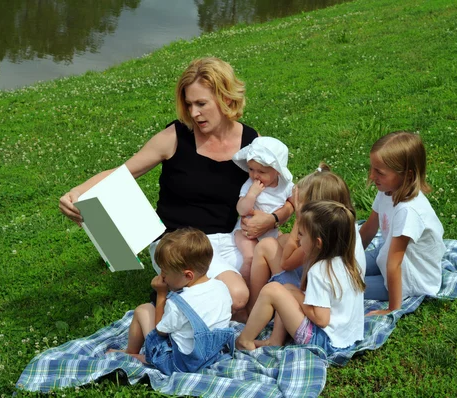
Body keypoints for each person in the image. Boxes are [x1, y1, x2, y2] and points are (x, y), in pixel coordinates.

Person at [58, 57, 294, 312]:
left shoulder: (251, 141)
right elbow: (123, 173)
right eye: (189, 104)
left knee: (284, 272)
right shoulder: (175, 136)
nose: (194, 113)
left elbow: (288, 194)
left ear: (226, 98)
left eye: (201, 104)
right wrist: (79, 191)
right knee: (237, 297)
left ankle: (185, 302)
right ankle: (174, 296)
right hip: (179, 244)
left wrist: (273, 220)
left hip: (231, 240)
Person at [236, 201, 366, 352]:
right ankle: (275, 340)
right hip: (348, 337)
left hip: (325, 341)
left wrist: (297, 297)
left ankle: (244, 341)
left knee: (272, 290)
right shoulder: (348, 262)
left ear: (318, 243)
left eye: (301, 234)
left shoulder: (319, 270)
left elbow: (322, 319)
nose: (297, 239)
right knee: (287, 289)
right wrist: (293, 293)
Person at [107, 228, 234, 375]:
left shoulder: (179, 303)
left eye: (165, 272)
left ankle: (131, 352)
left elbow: (160, 331)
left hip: (179, 364)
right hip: (211, 356)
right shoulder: (222, 287)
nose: (162, 276)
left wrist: (161, 294)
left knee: (143, 309)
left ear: (188, 275)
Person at [247, 163, 366, 314]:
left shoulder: (321, 235)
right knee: (283, 241)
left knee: (266, 246)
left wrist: (299, 219)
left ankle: (253, 308)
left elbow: (286, 263)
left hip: (318, 304)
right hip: (336, 293)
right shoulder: (345, 225)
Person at [359, 131, 445, 315]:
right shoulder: (386, 190)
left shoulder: (408, 210)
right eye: (372, 168)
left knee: (342, 286)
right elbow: (368, 230)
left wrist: (392, 309)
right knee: (334, 267)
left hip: (407, 278)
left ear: (407, 175)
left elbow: (394, 264)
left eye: (379, 172)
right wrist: (344, 258)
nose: (372, 176)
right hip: (387, 256)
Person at [231, 136, 294, 284]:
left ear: (278, 172)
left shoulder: (285, 186)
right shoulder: (250, 185)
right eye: (251, 169)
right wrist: (252, 195)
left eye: (262, 171)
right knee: (251, 258)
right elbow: (241, 209)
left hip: (270, 232)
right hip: (245, 233)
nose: (255, 175)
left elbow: (294, 202)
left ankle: (276, 284)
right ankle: (247, 285)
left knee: (281, 251)